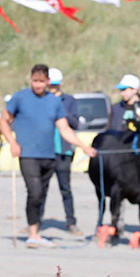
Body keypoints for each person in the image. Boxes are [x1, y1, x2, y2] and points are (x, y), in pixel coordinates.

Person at [0, 64, 97, 248]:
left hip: (49, 155)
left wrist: (84, 147)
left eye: (41, 81)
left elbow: (64, 128)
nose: (38, 85)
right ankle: (33, 233)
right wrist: (12, 142)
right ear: (30, 80)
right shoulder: (19, 97)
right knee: (34, 191)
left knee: (42, 193)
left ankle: (36, 231)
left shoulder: (54, 101)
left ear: (48, 81)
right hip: (27, 154)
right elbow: (3, 121)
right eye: (35, 81)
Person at [46, 67, 82, 234]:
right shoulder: (42, 99)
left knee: (65, 188)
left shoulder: (69, 100)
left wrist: (59, 109)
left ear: (60, 84)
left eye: (54, 85)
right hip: (44, 151)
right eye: (50, 85)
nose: (52, 89)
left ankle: (71, 222)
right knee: (40, 189)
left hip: (64, 152)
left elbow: (75, 123)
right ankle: (35, 223)